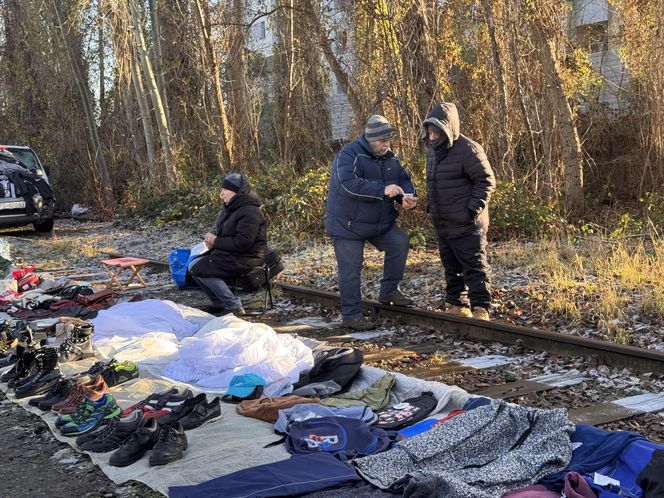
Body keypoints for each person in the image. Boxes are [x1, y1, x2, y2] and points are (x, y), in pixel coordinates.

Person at [326, 114, 418, 331]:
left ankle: (389, 291)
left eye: (388, 140)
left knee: (399, 243)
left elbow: (402, 179)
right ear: (369, 139)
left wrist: (407, 196)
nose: (386, 144)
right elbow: (348, 184)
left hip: (379, 223)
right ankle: (351, 315)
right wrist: (382, 189)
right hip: (347, 224)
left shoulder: (391, 159)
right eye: (381, 141)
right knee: (351, 269)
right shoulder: (349, 155)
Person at [422, 102, 496, 320]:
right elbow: (434, 183)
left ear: (448, 129)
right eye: (430, 131)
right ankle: (457, 304)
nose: (432, 136)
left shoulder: (469, 149)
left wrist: (471, 211)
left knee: (474, 267)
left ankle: (481, 308)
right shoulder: (432, 153)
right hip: (443, 223)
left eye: (436, 132)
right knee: (451, 267)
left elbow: (486, 181)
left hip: (467, 224)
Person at [189, 173, 267, 316]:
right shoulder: (233, 209)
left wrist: (216, 241)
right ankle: (218, 303)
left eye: (225, 190)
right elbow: (229, 236)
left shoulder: (249, 211)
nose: (221, 194)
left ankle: (233, 305)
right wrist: (213, 242)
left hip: (247, 257)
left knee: (200, 268)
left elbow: (243, 242)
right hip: (234, 254)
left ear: (236, 191)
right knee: (194, 265)